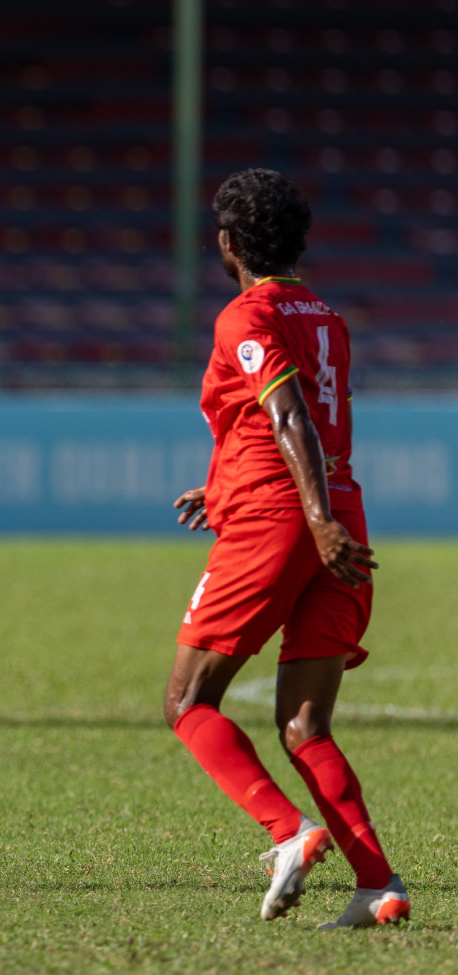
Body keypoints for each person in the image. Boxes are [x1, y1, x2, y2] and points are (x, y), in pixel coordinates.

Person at [164, 169, 408, 928]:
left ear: (227, 244)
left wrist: (311, 517)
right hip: (338, 517)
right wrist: (229, 486)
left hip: (290, 521)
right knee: (305, 725)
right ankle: (377, 886)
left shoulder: (246, 315)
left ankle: (287, 832)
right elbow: (284, 420)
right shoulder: (325, 313)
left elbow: (291, 417)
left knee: (185, 701)